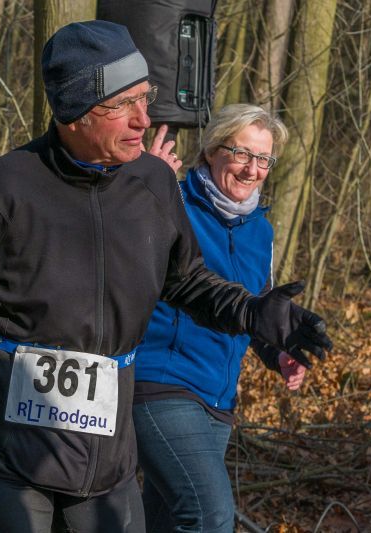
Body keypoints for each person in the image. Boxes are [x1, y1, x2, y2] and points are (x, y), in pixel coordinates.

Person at [0, 21, 332, 533]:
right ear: (75, 112)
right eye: (122, 104)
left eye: (145, 98)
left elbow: (186, 281)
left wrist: (253, 311)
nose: (143, 119)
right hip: (8, 451)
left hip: (106, 455)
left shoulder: (153, 183)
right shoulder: (1, 190)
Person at [134, 104, 313, 532]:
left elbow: (256, 310)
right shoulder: (172, 200)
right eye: (242, 154)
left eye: (264, 159)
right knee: (210, 515)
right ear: (213, 150)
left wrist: (278, 353)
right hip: (159, 383)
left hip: (218, 399)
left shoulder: (262, 232)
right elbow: (120, 251)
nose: (253, 169)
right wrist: (142, 187)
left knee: (166, 523)